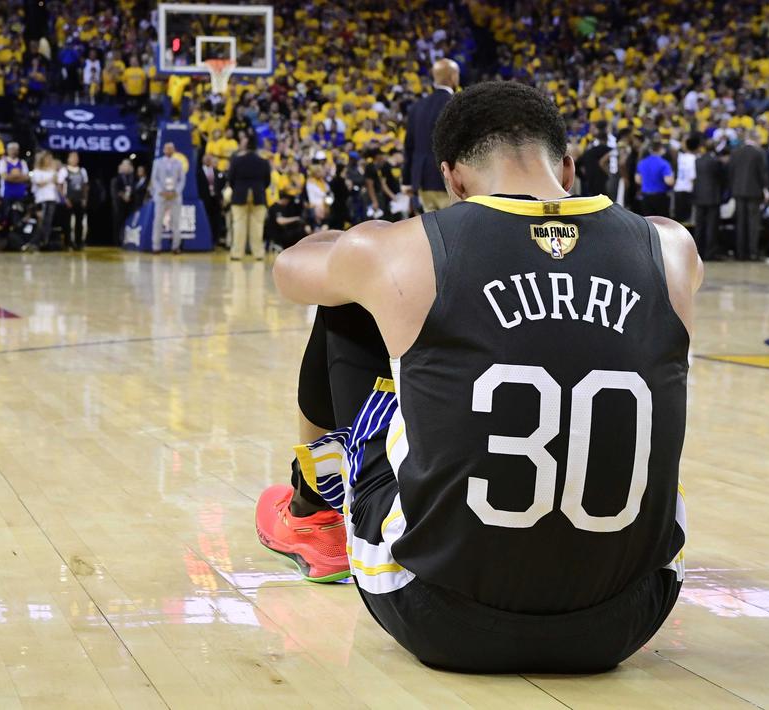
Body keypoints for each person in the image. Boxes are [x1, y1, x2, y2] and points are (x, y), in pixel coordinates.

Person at [255, 81, 700, 674]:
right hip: (628, 619)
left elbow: (289, 271)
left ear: (454, 180)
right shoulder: (671, 248)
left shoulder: (401, 250)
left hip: (439, 615)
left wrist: (365, 238)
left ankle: (312, 510)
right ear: (568, 168)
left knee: (350, 302)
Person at [402, 58, 459, 212]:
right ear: (453, 76)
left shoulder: (417, 106)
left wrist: (406, 181)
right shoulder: (457, 104)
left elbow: (409, 146)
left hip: (421, 180)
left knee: (429, 232)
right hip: (448, 181)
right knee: (451, 232)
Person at [227, 134, 271, 260]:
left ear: (245, 146)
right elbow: (267, 181)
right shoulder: (263, 161)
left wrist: (237, 188)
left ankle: (237, 254)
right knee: (257, 226)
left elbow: (230, 179)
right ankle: (258, 253)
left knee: (239, 225)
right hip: (259, 195)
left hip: (240, 195)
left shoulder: (236, 160)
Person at [728, 136, 769, 261]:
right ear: (755, 140)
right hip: (754, 192)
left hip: (738, 192)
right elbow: (763, 173)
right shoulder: (759, 153)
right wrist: (766, 189)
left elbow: (730, 173)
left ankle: (740, 253)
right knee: (753, 224)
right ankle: (753, 253)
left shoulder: (735, 153)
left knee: (740, 223)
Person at [149, 142, 186, 254]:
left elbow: (182, 179)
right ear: (164, 150)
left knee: (176, 221)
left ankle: (175, 246)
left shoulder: (178, 163)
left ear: (174, 150)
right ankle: (156, 246)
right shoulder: (157, 162)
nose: (169, 150)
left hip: (175, 196)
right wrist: (161, 191)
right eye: (167, 148)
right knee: (158, 221)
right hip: (161, 196)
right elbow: (154, 179)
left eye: (171, 148)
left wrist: (176, 191)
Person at [692, 142, 725, 260]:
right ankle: (710, 253)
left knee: (699, 225)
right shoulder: (716, 162)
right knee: (711, 226)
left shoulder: (697, 161)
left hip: (699, 196)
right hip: (713, 197)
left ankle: (697, 251)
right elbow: (722, 178)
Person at [26, 151, 61, 252]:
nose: (49, 161)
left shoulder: (52, 170)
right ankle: (34, 242)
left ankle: (44, 242)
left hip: (52, 198)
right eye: (47, 158)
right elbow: (39, 183)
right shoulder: (36, 171)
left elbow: (56, 181)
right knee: (42, 221)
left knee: (48, 223)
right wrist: (50, 179)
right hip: (42, 199)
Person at [635, 142, 674, 217]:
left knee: (649, 220)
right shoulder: (664, 163)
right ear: (661, 149)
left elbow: (638, 180)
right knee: (662, 222)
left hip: (645, 196)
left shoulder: (642, 162)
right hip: (660, 196)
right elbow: (669, 181)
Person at [61, 152, 89, 250]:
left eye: (76, 157)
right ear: (68, 159)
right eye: (72, 157)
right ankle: (67, 243)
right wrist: (64, 199)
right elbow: (60, 186)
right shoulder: (64, 170)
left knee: (79, 222)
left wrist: (85, 198)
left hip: (79, 199)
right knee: (67, 223)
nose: (75, 159)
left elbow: (85, 186)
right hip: (68, 199)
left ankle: (79, 242)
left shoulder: (82, 171)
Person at [111, 159, 138, 245]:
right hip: (119, 205)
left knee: (129, 222)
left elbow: (134, 190)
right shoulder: (116, 178)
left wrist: (130, 197)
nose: (126, 167)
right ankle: (117, 241)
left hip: (130, 204)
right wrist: (123, 196)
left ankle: (127, 240)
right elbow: (115, 191)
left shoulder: (133, 178)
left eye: (128, 165)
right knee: (118, 223)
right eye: (124, 165)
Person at [0, 142, 29, 213]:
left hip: (20, 193)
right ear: (7, 150)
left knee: (20, 213)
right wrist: (19, 175)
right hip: (7, 194)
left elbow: (26, 178)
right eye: (11, 149)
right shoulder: (3, 162)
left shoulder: (22, 162)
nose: (13, 152)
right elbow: (5, 177)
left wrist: (12, 175)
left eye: (15, 150)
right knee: (7, 215)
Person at [673, 136, 698, 223]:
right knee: (687, 221)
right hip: (688, 190)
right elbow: (693, 177)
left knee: (678, 221)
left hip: (678, 189)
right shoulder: (694, 159)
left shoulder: (680, 157)